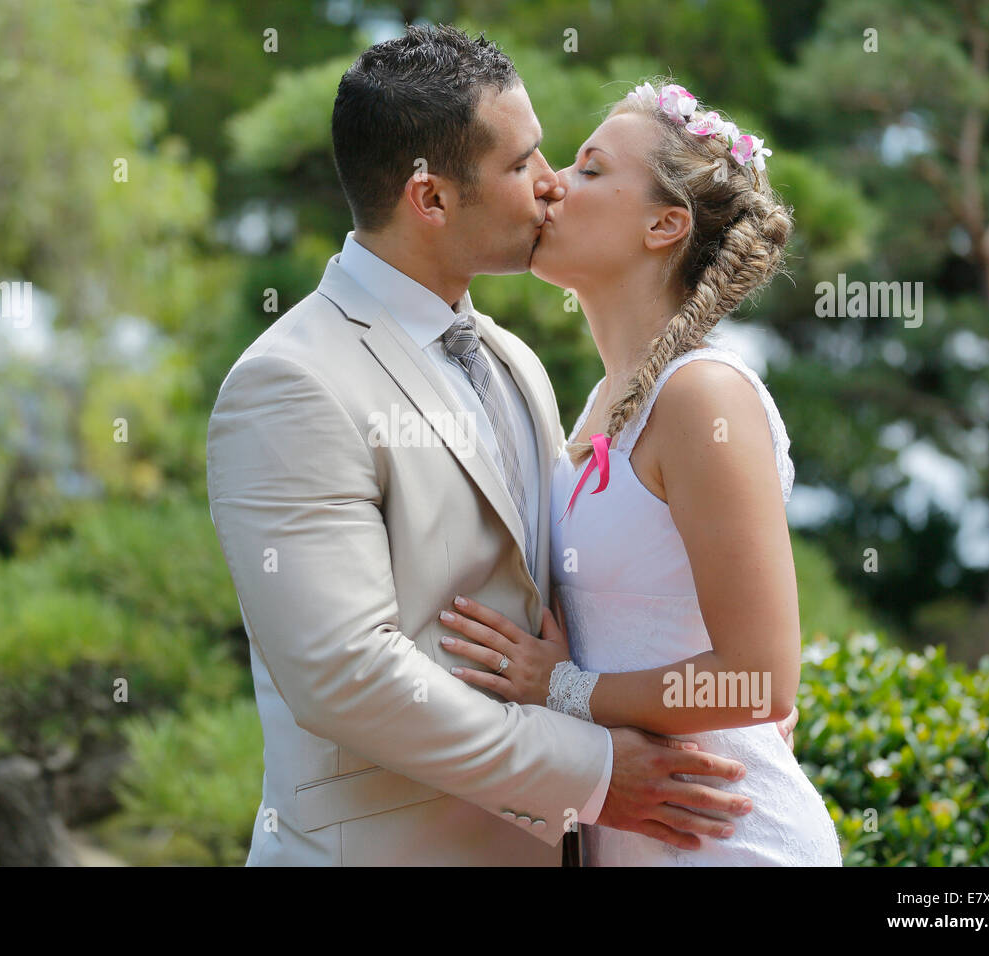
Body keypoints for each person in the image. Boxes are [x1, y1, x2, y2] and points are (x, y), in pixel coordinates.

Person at [207, 25, 798, 866]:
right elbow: (345, 677)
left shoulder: (518, 366)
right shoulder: (293, 382)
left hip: (672, 826)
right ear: (432, 199)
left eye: (570, 164)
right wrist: (594, 770)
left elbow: (720, 652)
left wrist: (646, 696)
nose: (548, 187)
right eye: (522, 166)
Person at [440, 80, 842, 865]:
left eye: (590, 170)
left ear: (666, 224)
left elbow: (759, 681)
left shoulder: (703, 397)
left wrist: (563, 689)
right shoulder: (595, 404)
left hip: (730, 841)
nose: (551, 182)